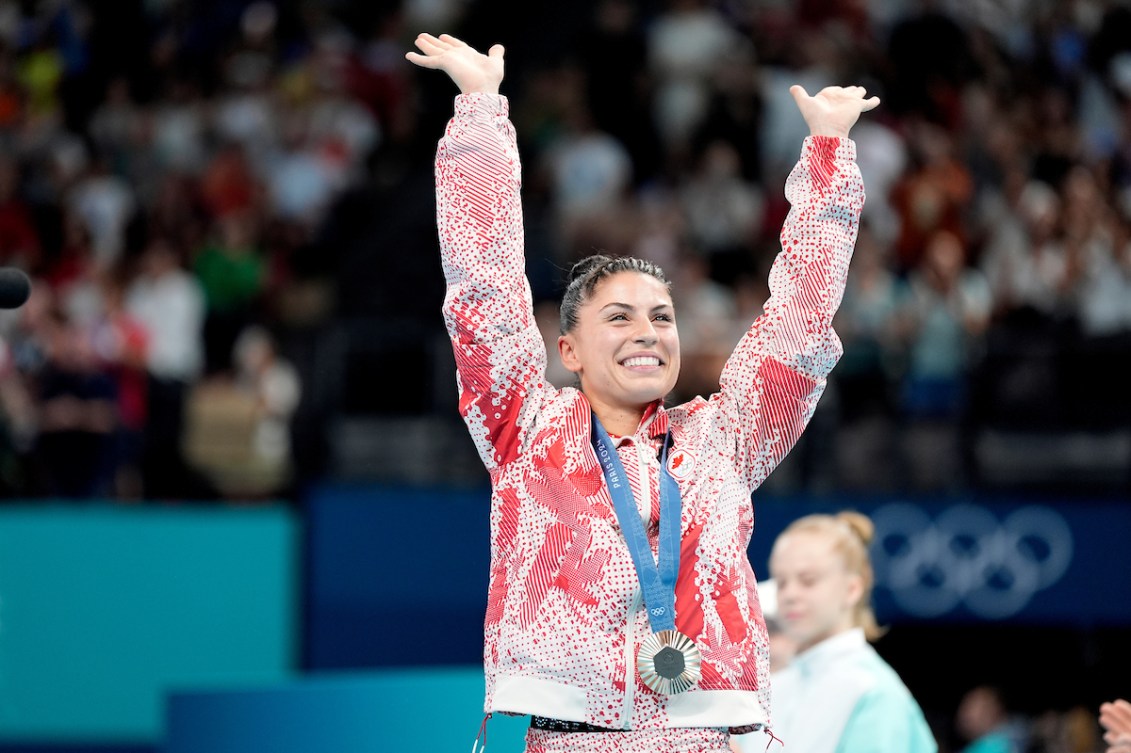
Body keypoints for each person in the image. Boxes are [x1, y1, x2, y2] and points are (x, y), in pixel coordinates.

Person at [406, 32, 878, 752]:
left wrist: (827, 163)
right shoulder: (525, 431)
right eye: (618, 317)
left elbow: (797, 331)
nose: (648, 332)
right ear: (567, 350)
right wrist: (478, 113)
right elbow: (484, 293)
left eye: (662, 316)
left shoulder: (723, 440)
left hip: (709, 735)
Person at [737, 511, 936, 753]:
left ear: (852, 588)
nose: (789, 595)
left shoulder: (873, 692)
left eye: (808, 580)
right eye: (781, 582)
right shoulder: (773, 689)